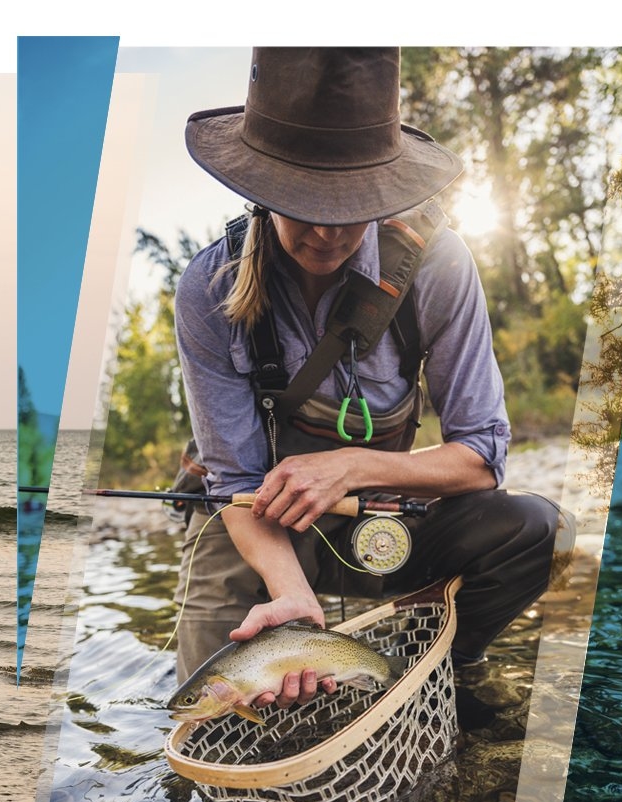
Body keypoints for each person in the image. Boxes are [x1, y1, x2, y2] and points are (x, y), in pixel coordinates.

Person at [173, 47, 561, 717]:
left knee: (533, 526)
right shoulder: (207, 290)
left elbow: (482, 457)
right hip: (260, 533)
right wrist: (292, 603)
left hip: (376, 521)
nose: (326, 230)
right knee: (214, 700)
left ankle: (443, 668)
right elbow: (234, 488)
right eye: (302, 201)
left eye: (350, 203)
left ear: (385, 187)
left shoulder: (438, 266)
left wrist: (349, 466)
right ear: (261, 189)